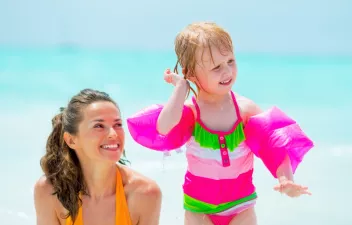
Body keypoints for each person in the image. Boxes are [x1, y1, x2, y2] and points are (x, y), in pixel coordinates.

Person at [126, 22, 314, 225]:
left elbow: (274, 145)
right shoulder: (192, 112)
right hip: (199, 209)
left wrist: (286, 179)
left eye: (231, 61)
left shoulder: (244, 109)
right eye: (216, 67)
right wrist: (181, 88)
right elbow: (163, 127)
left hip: (241, 206)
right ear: (190, 74)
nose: (227, 71)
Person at [34, 88, 162, 225]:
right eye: (99, 126)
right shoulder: (51, 190)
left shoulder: (144, 194)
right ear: (71, 140)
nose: (113, 133)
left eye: (117, 124)